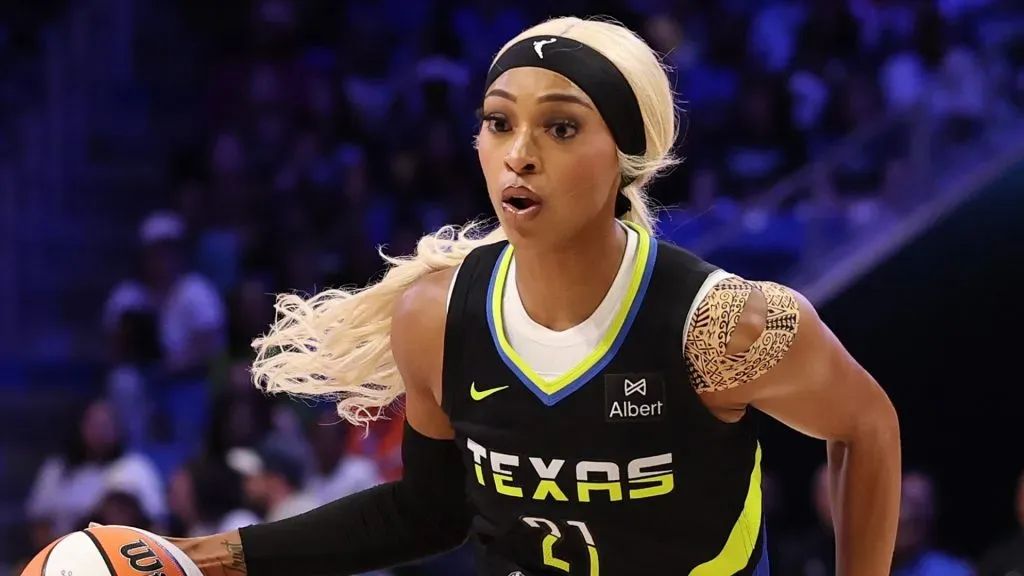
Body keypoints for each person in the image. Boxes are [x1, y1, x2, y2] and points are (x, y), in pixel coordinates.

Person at [164, 16, 901, 576]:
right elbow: (428, 513)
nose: (519, 153)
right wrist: (210, 557)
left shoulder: (723, 326)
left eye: (560, 126)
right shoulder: (435, 316)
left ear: (626, 157)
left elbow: (867, 426)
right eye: (498, 121)